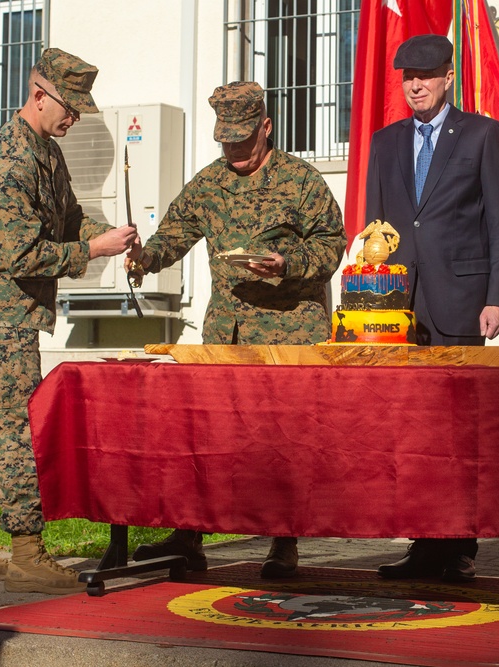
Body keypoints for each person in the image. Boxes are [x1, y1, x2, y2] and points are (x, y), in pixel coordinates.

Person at [127, 81, 345, 579]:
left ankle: (284, 543)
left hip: (289, 333)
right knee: (207, 435)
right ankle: (189, 537)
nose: (235, 152)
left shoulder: (302, 180)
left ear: (266, 128)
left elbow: (333, 244)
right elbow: (173, 236)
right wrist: (142, 258)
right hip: (227, 331)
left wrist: (289, 263)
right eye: (226, 142)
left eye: (244, 141)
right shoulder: (209, 183)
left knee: (282, 440)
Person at [0, 48, 138, 595]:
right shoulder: (8, 160)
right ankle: (27, 550)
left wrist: (111, 236)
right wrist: (94, 250)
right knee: (16, 428)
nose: (74, 118)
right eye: (69, 107)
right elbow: (23, 254)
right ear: (38, 94)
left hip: (12, 309)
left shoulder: (46, 151)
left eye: (79, 109)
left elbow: (71, 217)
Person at [366, 34, 499, 583]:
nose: (416, 84)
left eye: (427, 75)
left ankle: (457, 546)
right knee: (410, 430)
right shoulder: (385, 143)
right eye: (408, 76)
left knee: (457, 431)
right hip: (400, 310)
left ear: (448, 77)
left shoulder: (482, 134)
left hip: (462, 301)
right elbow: (376, 231)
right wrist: (373, 304)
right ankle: (421, 542)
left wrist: (497, 297)